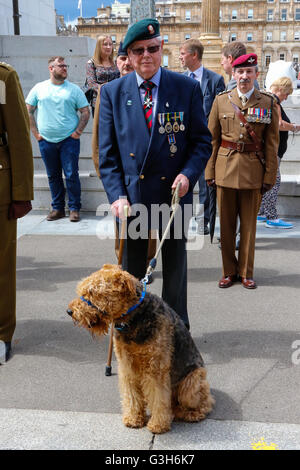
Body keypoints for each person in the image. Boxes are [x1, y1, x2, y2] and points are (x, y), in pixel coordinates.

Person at [98, 19, 212, 329]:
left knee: (175, 269)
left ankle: (175, 329)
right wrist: (116, 196)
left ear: (162, 49)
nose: (146, 55)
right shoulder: (112, 92)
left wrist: (189, 174)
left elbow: (202, 142)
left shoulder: (186, 88)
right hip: (132, 198)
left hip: (174, 195)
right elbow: (107, 155)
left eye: (152, 48)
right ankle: (133, 328)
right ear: (129, 55)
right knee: (131, 272)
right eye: (138, 51)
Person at [205, 54, 279, 289]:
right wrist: (209, 172)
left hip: (252, 172)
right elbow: (212, 140)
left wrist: (269, 176)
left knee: (248, 227)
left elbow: (271, 143)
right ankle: (229, 271)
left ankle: (246, 272)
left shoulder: (267, 102)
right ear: (233, 74)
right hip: (225, 170)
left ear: (257, 74)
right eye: (240, 72)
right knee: (226, 227)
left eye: (249, 72)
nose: (244, 76)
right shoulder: (221, 101)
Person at [92, 41, 157, 279]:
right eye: (123, 60)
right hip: (122, 178)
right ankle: (123, 267)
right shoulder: (109, 93)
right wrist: (109, 180)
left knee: (149, 230)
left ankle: (147, 266)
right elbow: (100, 142)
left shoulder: (149, 91)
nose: (127, 64)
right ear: (119, 63)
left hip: (149, 175)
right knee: (124, 231)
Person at [26, 56, 90, 222]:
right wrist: (36, 133)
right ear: (51, 68)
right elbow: (28, 110)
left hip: (69, 140)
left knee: (71, 175)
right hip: (46, 141)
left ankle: (74, 208)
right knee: (53, 176)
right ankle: (58, 208)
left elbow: (85, 111)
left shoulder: (74, 90)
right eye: (60, 66)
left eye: (65, 66)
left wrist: (77, 132)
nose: (64, 68)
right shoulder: (39, 88)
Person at [0, 62, 33, 364]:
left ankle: (1, 333)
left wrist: (21, 194)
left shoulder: (2, 77)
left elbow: (20, 139)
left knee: (1, 264)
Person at [179, 38, 225, 235]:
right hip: (182, 141)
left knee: (205, 185)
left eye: (183, 54)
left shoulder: (215, 80)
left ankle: (204, 220)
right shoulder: (179, 80)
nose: (180, 57)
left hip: (206, 141)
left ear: (194, 55)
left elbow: (221, 111)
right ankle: (181, 219)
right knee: (184, 180)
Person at [258, 77, 300, 229]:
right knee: (273, 182)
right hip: (273, 151)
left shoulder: (268, 100)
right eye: (286, 93)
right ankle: (271, 216)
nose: (287, 97)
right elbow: (279, 124)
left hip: (271, 150)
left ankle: (262, 213)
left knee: (268, 181)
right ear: (281, 89)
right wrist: (295, 126)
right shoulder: (274, 102)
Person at [86, 35, 120, 117]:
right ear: (99, 46)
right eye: (105, 44)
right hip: (99, 102)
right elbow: (91, 84)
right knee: (101, 129)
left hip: (115, 101)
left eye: (110, 44)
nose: (108, 47)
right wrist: (108, 90)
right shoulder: (91, 63)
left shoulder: (116, 63)